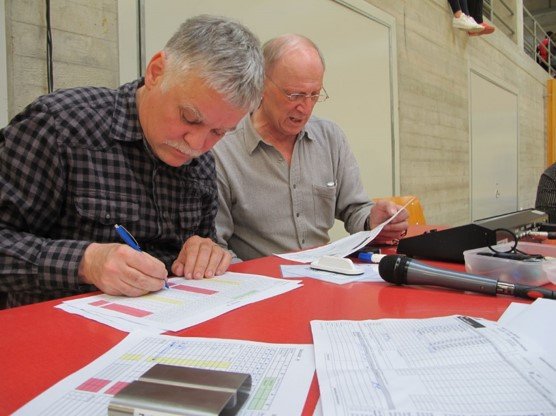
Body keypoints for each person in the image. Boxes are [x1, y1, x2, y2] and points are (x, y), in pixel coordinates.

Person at [0, 15, 264, 308]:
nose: (196, 144)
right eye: (189, 117)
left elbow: (202, 242)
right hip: (50, 323)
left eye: (219, 132)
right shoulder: (61, 127)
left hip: (161, 322)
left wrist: (205, 251)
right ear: (156, 72)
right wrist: (85, 262)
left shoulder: (201, 164)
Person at [213, 34, 409, 261]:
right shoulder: (223, 149)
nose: (305, 108)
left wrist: (372, 220)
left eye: (314, 94)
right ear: (260, 84)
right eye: (294, 95)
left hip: (325, 272)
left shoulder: (330, 138)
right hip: (263, 277)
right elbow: (216, 247)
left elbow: (355, 210)